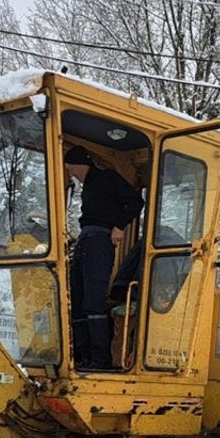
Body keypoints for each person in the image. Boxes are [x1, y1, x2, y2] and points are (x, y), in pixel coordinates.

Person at [64, 145, 144, 370]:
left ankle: (100, 357)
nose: (71, 174)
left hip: (100, 241)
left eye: (71, 168)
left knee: (93, 300)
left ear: (81, 164)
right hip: (85, 240)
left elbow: (136, 201)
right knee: (77, 298)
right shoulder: (88, 186)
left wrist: (119, 227)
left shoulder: (107, 178)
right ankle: (82, 354)